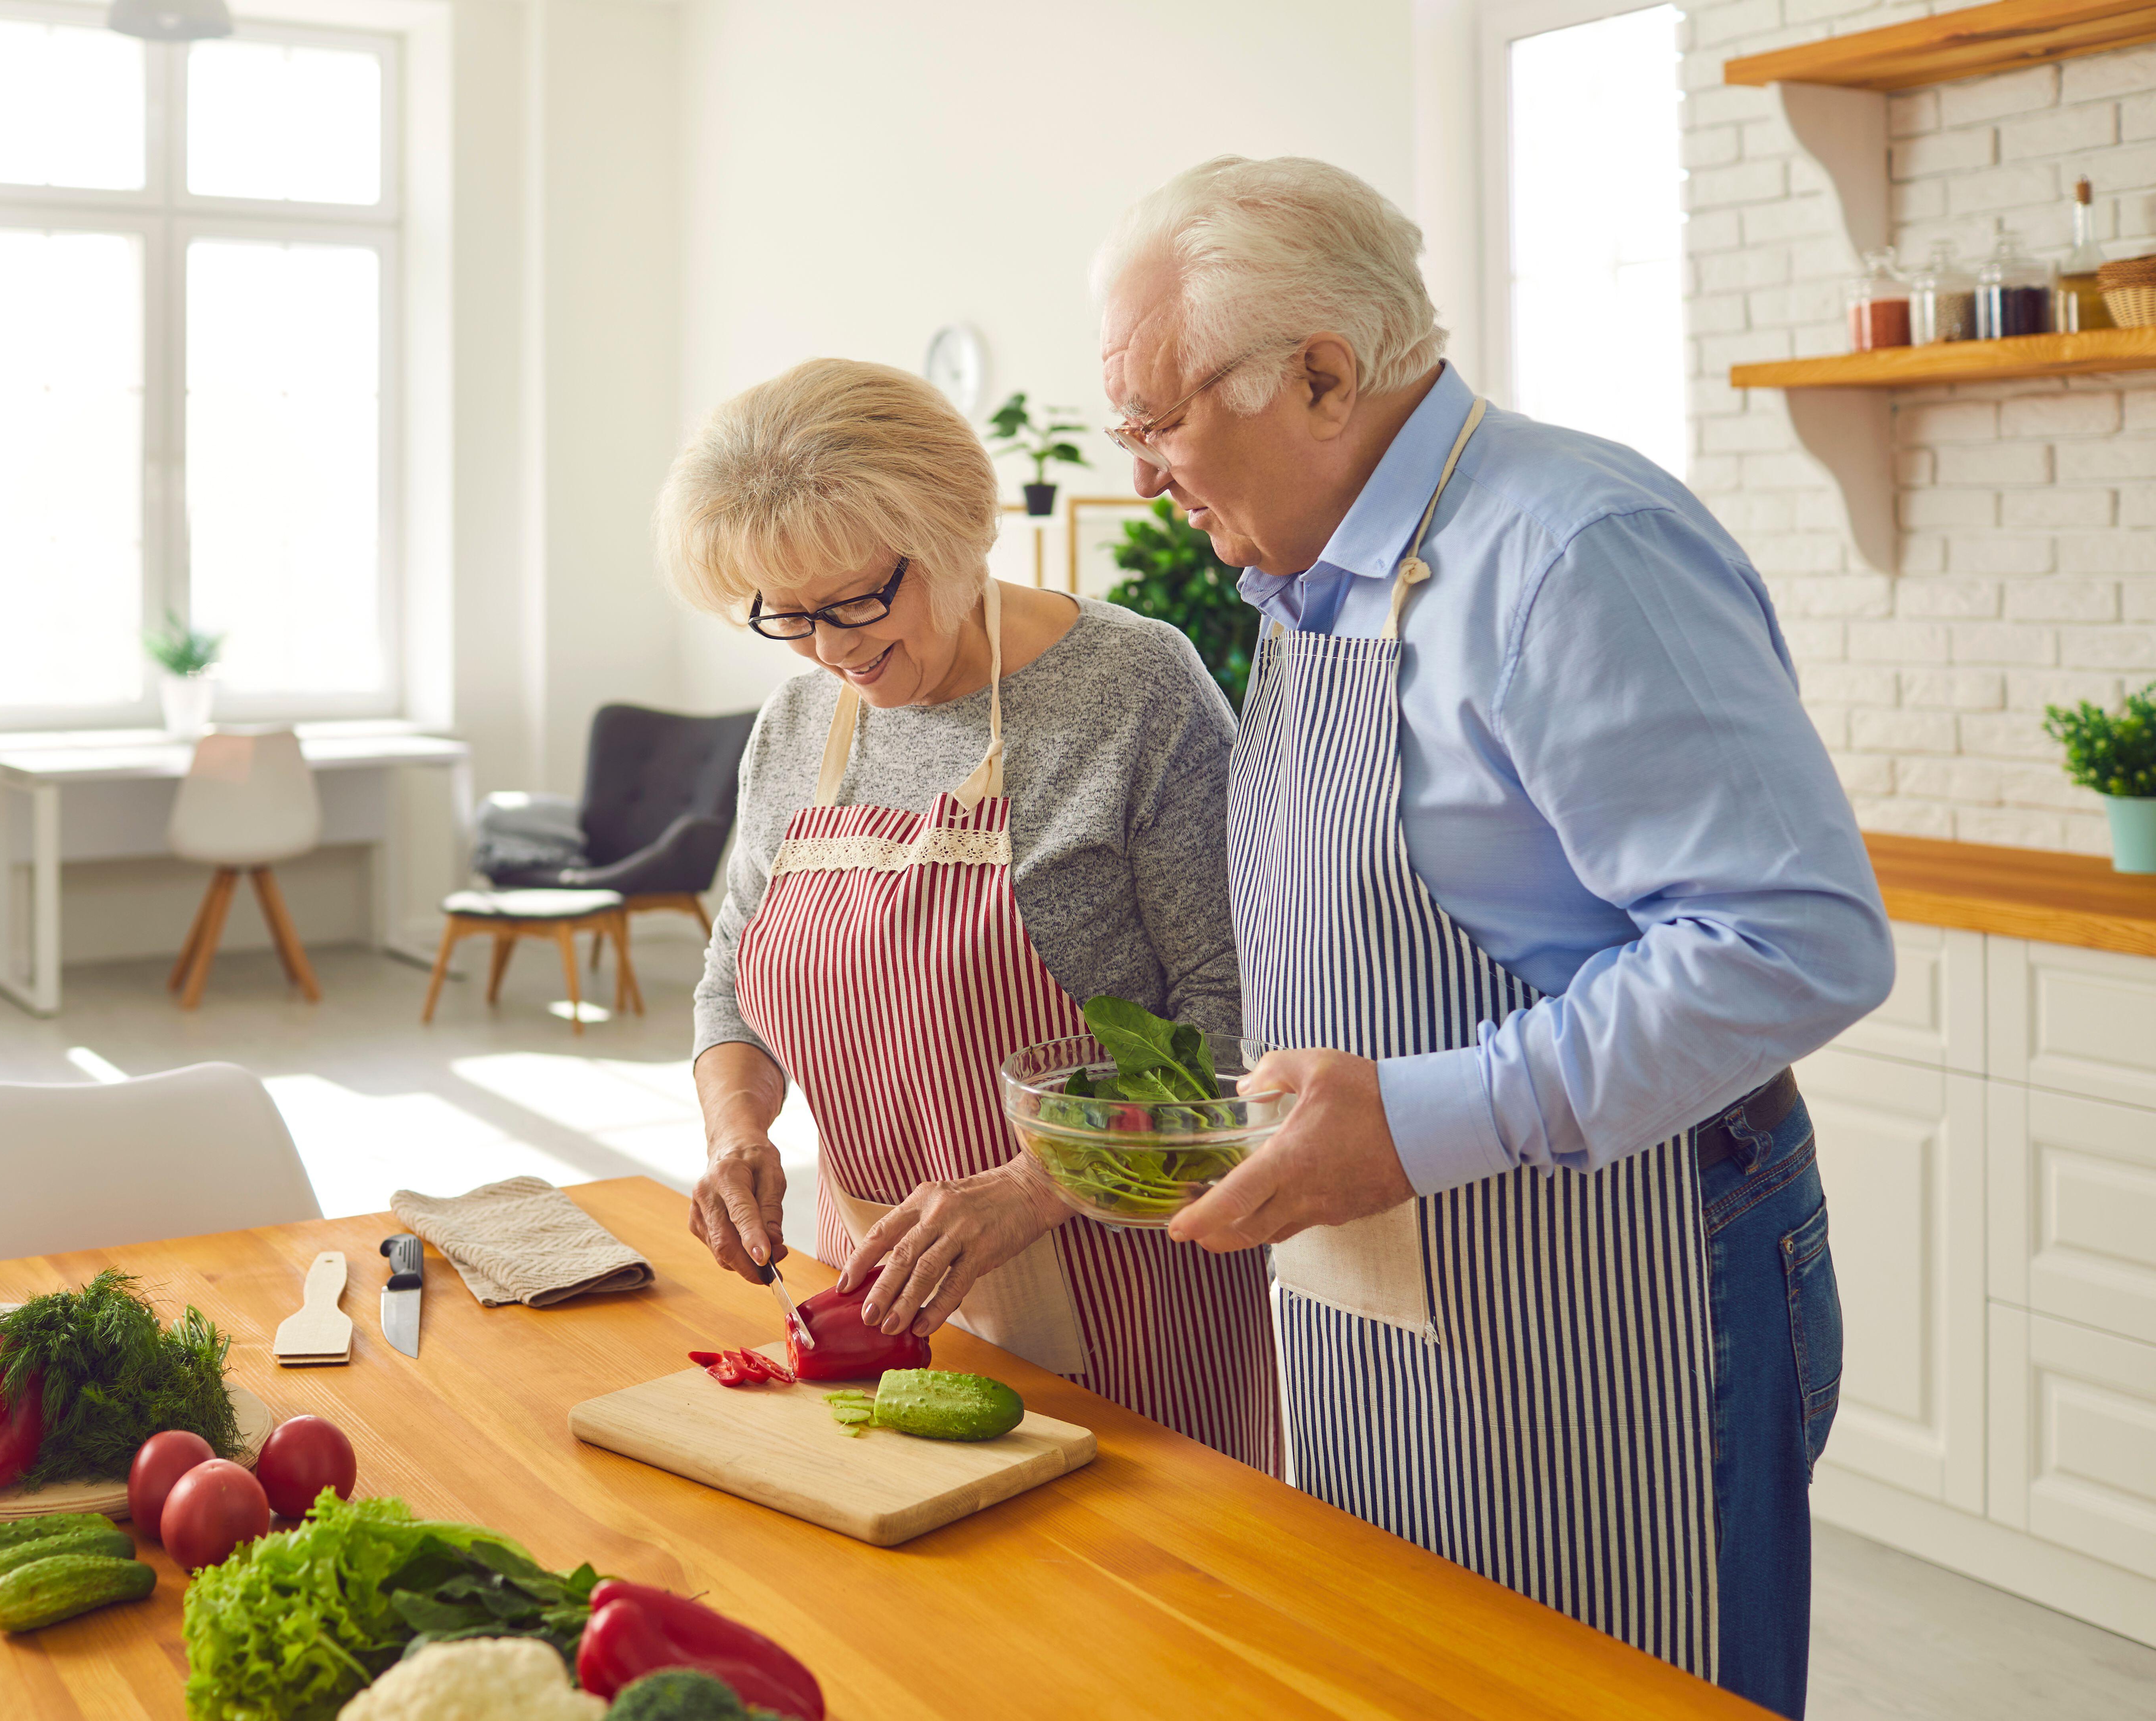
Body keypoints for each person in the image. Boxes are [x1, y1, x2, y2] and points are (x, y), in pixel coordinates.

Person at [1092, 156, 1893, 1718]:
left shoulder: (1570, 550)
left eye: (1154, 419)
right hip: (1395, 1288)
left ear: (1322, 375)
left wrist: (1414, 1118)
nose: (1141, 477)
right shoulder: (1317, 583)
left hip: (1637, 1276)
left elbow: (1793, 941)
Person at [661, 356, 1278, 1469]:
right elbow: (733, 980)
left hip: (1128, 1290)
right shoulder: (800, 722)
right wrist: (737, 1130)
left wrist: (1036, 1185)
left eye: (858, 601)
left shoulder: (1135, 689)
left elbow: (1237, 1017)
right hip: (885, 1299)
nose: (833, 649)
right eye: (789, 617)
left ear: (958, 529)